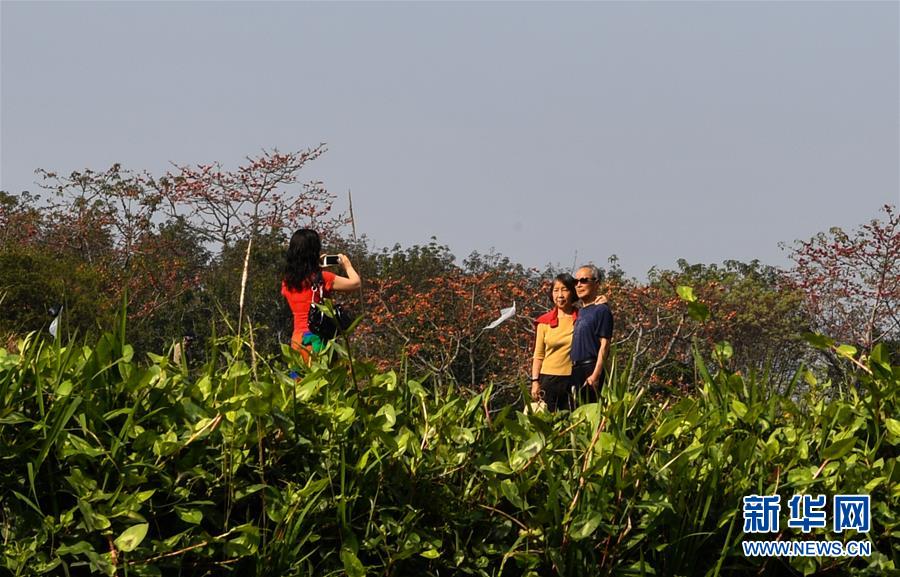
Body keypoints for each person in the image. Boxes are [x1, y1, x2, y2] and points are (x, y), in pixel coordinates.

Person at [281, 229, 361, 361]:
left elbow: (304, 285)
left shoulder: (287, 282)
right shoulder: (324, 278)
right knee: (324, 379)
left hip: (297, 340)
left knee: (300, 379)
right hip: (317, 339)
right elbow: (355, 283)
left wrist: (315, 267)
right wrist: (347, 265)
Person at [531, 273, 579, 411]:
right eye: (556, 290)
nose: (560, 295)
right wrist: (535, 382)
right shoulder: (544, 322)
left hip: (573, 379)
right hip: (548, 380)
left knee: (572, 421)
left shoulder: (582, 320)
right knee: (547, 422)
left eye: (564, 290)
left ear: (573, 292)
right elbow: (538, 355)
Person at [570, 264, 613, 404]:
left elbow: (605, 345)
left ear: (596, 283)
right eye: (575, 282)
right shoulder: (578, 311)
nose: (579, 285)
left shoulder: (601, 310)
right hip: (574, 370)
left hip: (591, 368)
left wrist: (596, 375)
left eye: (584, 280)